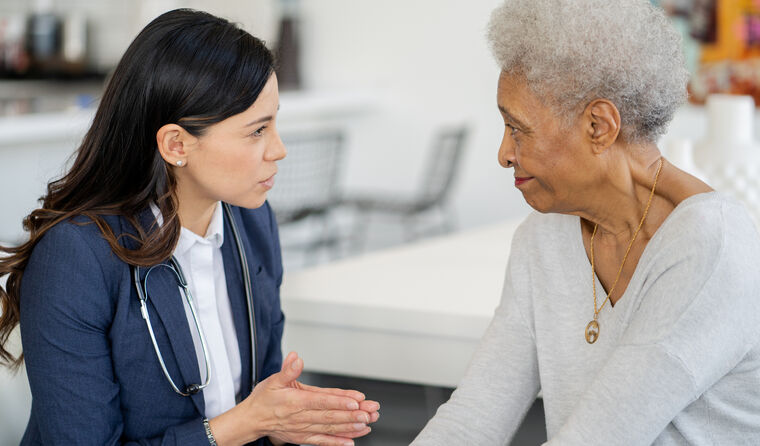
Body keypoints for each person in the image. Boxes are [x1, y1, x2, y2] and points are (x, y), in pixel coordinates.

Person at [0, 9, 378, 446]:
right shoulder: (76, 257)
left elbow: (257, 400)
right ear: (176, 144)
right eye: (257, 131)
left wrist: (286, 423)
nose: (279, 149)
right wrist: (245, 424)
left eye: (275, 122)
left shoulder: (251, 224)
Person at [412, 0, 760, 444]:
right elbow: (473, 417)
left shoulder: (711, 245)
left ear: (599, 125)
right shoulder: (542, 240)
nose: (504, 153)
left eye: (517, 129)